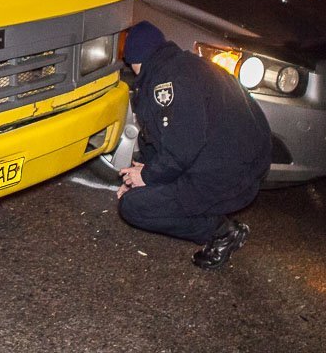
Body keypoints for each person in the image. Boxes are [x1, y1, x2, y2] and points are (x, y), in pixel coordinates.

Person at [116, 21, 272, 270]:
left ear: (135, 58)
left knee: (134, 208)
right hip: (244, 164)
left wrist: (145, 177)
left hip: (229, 175)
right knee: (145, 193)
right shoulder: (184, 65)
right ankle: (214, 219)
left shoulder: (166, 83)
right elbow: (167, 141)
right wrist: (142, 178)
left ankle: (222, 233)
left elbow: (182, 148)